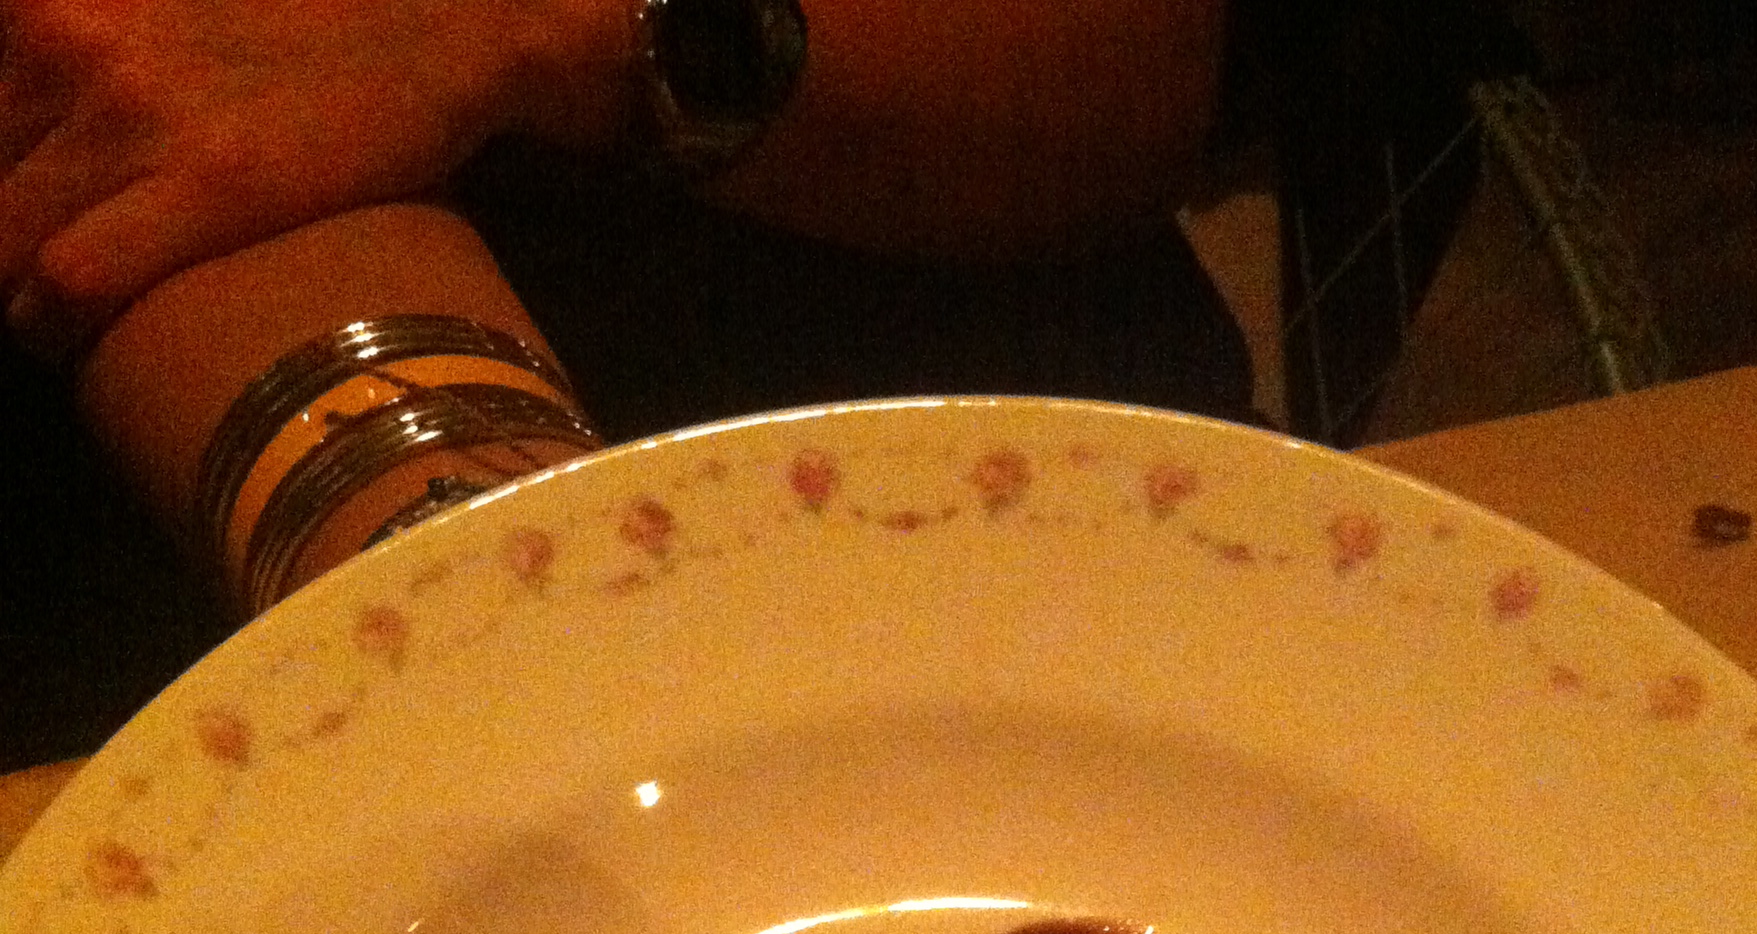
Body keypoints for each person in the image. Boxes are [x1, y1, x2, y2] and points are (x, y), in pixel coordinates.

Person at [1, 0, 1266, 760]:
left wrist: (534, 28)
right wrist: (511, 611)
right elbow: (129, 108)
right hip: (248, 690)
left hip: (1097, 512)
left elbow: (1138, 75)